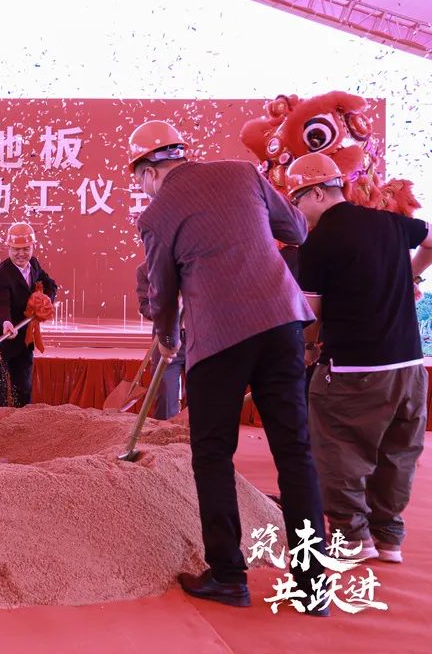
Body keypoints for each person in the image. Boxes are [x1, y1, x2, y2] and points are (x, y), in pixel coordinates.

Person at [130, 120, 328, 612]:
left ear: (149, 170)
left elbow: (162, 292)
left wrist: (168, 339)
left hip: (218, 338)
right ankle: (313, 588)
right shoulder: (242, 173)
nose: (141, 188)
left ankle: (228, 576)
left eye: (138, 178)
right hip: (281, 323)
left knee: (213, 454)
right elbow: (297, 229)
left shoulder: (156, 214)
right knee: (295, 453)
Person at [290, 152, 432, 564]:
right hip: (408, 367)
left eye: (297, 200)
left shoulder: (318, 243)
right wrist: (412, 275)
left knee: (338, 450)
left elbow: (311, 313)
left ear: (317, 192)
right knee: (397, 454)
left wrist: (307, 348)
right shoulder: (390, 222)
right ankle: (388, 537)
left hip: (353, 369)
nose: (297, 210)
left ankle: (352, 536)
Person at [0, 223, 57, 407]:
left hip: (24, 334)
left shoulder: (34, 264)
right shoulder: (2, 274)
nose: (21, 254)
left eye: (26, 249)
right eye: (16, 249)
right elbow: (1, 303)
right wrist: (6, 322)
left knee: (23, 386)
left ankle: (22, 419)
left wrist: (45, 300)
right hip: (2, 333)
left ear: (33, 247)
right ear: (8, 247)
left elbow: (50, 284)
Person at [135, 261, 185, 419]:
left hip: (199, 340)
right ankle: (164, 432)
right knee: (164, 399)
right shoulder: (145, 269)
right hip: (166, 338)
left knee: (203, 398)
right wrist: (163, 311)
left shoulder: (195, 262)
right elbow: (145, 305)